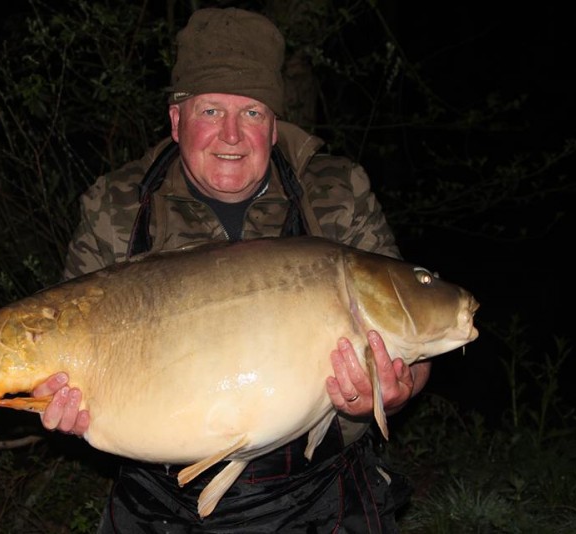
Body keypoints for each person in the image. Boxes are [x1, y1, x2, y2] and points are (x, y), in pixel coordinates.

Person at [33, 7, 430, 533]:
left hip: (318, 491)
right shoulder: (119, 205)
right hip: (159, 498)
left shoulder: (336, 194)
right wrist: (57, 400)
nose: (232, 135)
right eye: (211, 111)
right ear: (176, 120)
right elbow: (63, 344)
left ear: (275, 125)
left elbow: (414, 346)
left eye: (252, 113)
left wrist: (398, 389)